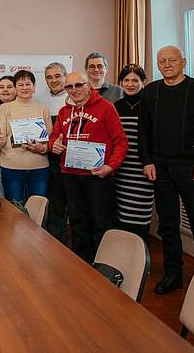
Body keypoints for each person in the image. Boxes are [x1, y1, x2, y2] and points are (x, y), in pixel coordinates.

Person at [139, 45, 194, 295]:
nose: (166, 65)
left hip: (191, 167)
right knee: (167, 225)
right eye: (161, 61)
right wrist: (146, 161)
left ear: (183, 62)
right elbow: (143, 131)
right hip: (160, 168)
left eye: (171, 60)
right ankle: (173, 274)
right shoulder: (150, 91)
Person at [49, 72, 128, 263]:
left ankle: (103, 266)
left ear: (89, 85)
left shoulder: (106, 107)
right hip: (69, 175)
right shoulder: (64, 111)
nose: (74, 90)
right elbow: (54, 138)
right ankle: (82, 266)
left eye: (79, 85)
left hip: (97, 175)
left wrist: (110, 166)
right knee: (77, 223)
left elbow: (121, 141)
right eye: (69, 87)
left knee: (101, 224)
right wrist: (54, 145)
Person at [0, 71, 52, 203]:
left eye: (28, 84)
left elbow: (50, 140)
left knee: (37, 207)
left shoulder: (43, 109)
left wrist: (42, 148)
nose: (24, 87)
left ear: (34, 86)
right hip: (12, 167)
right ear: (15, 87)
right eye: (20, 84)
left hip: (39, 168)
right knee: (15, 208)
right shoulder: (5, 108)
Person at [113, 64, 153, 243]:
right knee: (121, 217)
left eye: (135, 80)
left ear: (143, 82)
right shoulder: (116, 106)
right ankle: (124, 256)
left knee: (140, 217)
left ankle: (140, 255)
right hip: (121, 168)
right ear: (121, 82)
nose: (130, 84)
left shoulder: (150, 105)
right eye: (126, 80)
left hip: (143, 168)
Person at [42, 62, 70, 245]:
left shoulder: (74, 98)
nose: (53, 80)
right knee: (55, 207)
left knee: (75, 208)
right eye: (49, 77)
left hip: (73, 162)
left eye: (57, 76)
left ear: (65, 76)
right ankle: (56, 246)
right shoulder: (41, 101)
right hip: (50, 161)